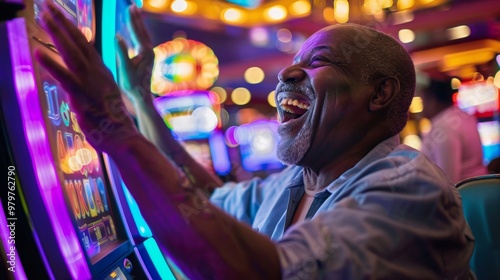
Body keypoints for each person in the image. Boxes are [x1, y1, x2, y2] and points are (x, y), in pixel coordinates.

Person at [37, 2, 474, 279]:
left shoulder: (405, 187)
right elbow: (204, 195)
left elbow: (256, 272)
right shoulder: (293, 183)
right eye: (291, 63)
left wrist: (115, 129)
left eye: (318, 61)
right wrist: (140, 102)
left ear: (379, 94)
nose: (285, 74)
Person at [419, 78, 487, 184]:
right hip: (478, 191)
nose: (421, 109)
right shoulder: (464, 117)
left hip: (464, 196)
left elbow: (448, 179)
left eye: (423, 102)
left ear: (433, 100)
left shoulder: (443, 127)